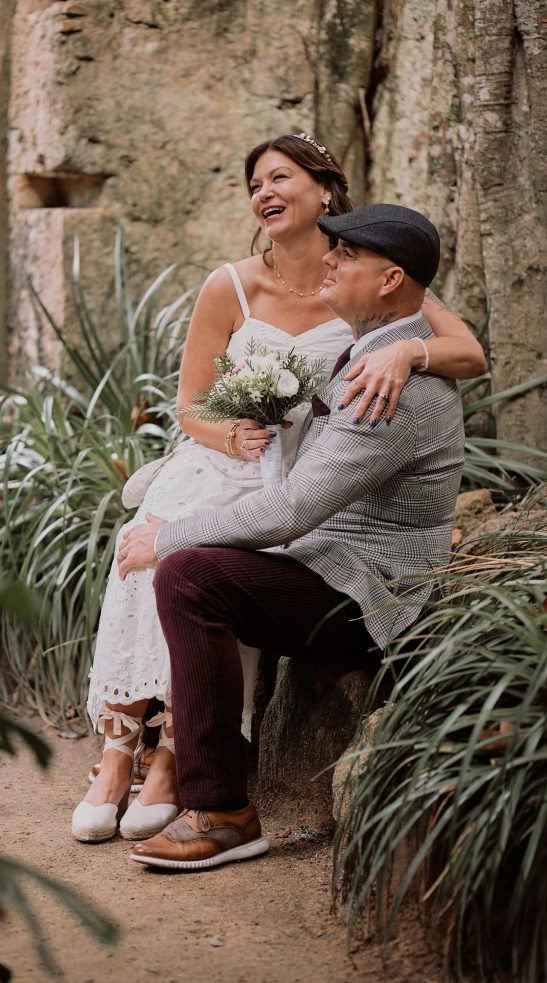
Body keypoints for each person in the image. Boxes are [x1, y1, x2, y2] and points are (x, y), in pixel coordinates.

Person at [72, 135, 486, 845]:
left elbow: (295, 504)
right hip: (296, 515)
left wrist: (410, 350)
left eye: (279, 177)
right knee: (180, 555)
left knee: (186, 564)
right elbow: (194, 404)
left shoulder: (387, 369)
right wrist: (225, 442)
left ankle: (209, 797)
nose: (333, 263)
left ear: (324, 192)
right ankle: (130, 757)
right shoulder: (354, 330)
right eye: (252, 182)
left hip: (360, 579)